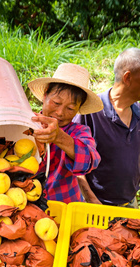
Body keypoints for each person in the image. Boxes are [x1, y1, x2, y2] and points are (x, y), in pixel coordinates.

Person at [75, 47, 140, 208]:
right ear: (128, 78)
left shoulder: (137, 110)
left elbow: (136, 157)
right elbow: (75, 165)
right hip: (98, 207)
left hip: (129, 204)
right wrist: (93, 202)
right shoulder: (91, 112)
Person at [28, 63, 103, 203]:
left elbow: (90, 160)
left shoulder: (78, 132)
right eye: (56, 103)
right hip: (25, 207)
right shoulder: (26, 124)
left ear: (78, 109)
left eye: (70, 108)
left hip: (65, 207)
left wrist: (60, 137)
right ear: (45, 96)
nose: (60, 113)